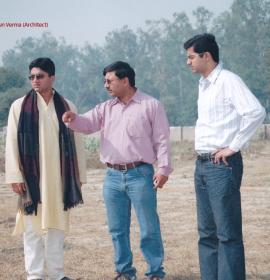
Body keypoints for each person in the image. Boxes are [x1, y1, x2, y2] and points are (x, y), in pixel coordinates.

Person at [62, 61, 172, 280]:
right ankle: (124, 271)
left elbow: (162, 140)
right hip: (112, 177)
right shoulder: (105, 108)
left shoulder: (151, 105)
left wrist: (164, 169)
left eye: (110, 80)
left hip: (141, 175)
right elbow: (87, 123)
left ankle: (155, 272)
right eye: (105, 81)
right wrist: (73, 119)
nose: (106, 85)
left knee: (149, 227)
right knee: (117, 229)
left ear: (125, 80)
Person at [183, 33, 266, 280]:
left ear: (206, 55)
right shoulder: (204, 84)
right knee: (207, 233)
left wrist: (233, 146)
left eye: (191, 57)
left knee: (227, 234)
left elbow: (255, 112)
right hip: (203, 165)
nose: (188, 62)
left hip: (222, 166)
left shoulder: (228, 81)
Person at [5, 57, 86, 280]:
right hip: (30, 177)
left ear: (52, 77)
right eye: (31, 77)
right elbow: (11, 142)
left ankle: (58, 274)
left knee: (56, 227)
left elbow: (77, 142)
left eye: (40, 76)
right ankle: (35, 275)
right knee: (31, 229)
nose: (35, 80)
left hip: (60, 177)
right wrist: (14, 175)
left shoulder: (68, 106)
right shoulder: (19, 106)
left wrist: (78, 176)